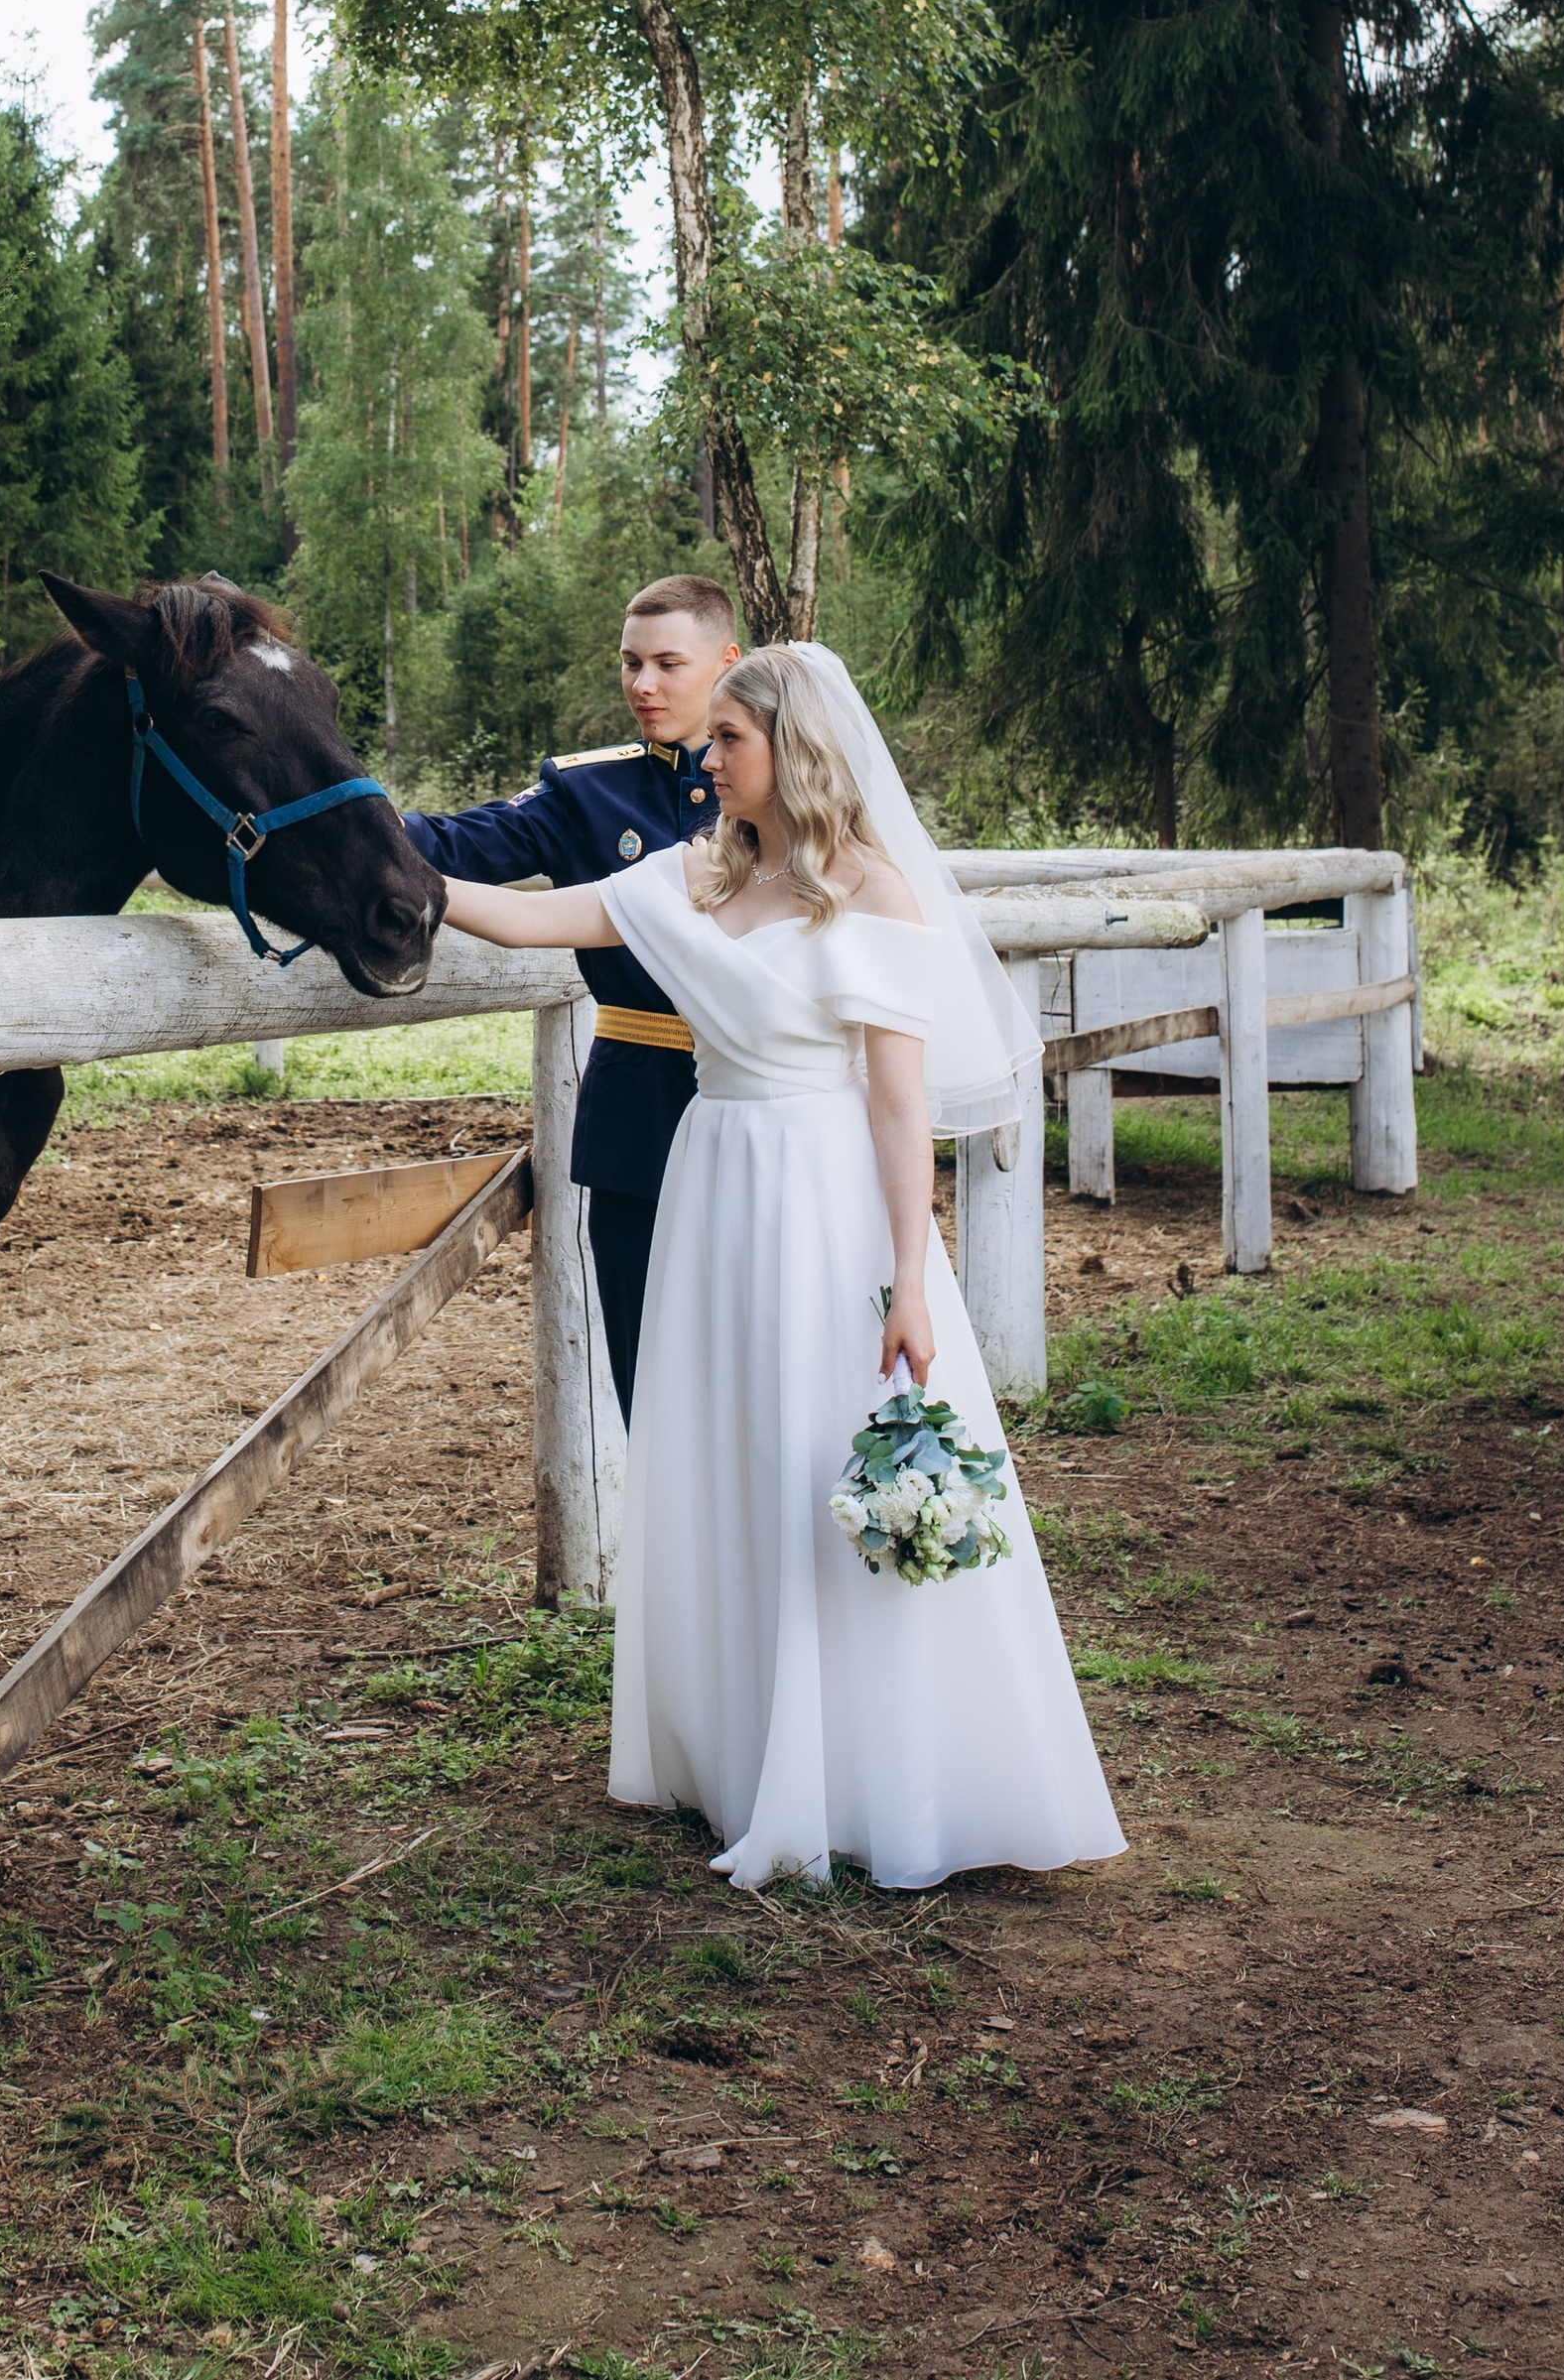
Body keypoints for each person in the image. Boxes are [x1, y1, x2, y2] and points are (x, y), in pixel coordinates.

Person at [436, 643, 1124, 1895]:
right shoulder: (695, 877)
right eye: (709, 746)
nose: (705, 759)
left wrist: (911, 1279)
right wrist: (392, 878)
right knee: (727, 1451)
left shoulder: (874, 894)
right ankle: (746, 1751)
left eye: (729, 744)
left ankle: (873, 1768)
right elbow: (538, 915)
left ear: (791, 749)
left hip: (823, 1201)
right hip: (715, 1179)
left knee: (822, 1452)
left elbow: (900, 1106)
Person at [402, 574, 739, 1422]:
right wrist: (333, 816)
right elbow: (454, 843)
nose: (643, 685)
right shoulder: (589, 792)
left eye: (668, 662)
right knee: (650, 1376)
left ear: (727, 661)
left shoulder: (788, 785)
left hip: (767, 1110)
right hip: (639, 1106)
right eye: (630, 663)